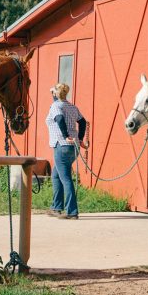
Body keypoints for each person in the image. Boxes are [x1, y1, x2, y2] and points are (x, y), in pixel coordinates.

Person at [45, 82, 88, 219]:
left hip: (61, 145)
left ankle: (72, 212)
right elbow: (82, 122)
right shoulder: (71, 106)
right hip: (73, 147)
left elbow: (59, 118)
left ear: (56, 93)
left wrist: (65, 136)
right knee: (56, 175)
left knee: (66, 179)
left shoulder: (55, 106)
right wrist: (80, 139)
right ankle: (56, 208)